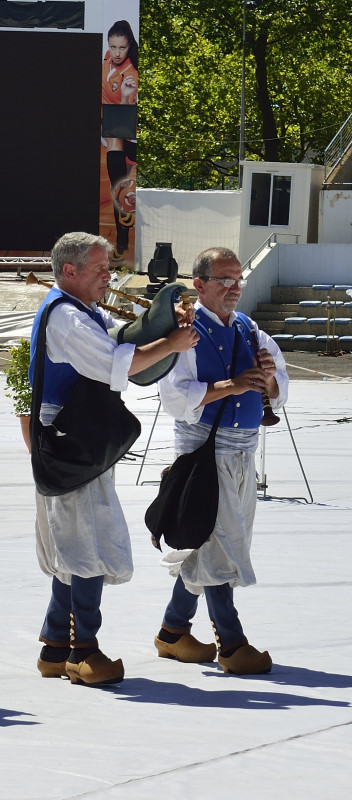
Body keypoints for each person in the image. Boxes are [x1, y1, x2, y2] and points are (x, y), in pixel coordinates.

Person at [30, 232, 196, 685]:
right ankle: (83, 651)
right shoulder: (66, 317)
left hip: (80, 434)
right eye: (100, 268)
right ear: (70, 270)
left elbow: (125, 336)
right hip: (68, 438)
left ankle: (53, 647)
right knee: (85, 542)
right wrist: (172, 345)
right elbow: (113, 363)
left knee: (78, 538)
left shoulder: (82, 311)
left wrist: (169, 321)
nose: (109, 276)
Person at [153, 247, 286, 675]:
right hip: (203, 454)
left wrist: (268, 380)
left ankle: (173, 631)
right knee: (220, 544)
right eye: (224, 279)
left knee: (212, 542)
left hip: (243, 451)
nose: (234, 288)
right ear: (200, 284)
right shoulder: (187, 332)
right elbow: (175, 397)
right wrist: (231, 386)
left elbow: (280, 381)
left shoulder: (249, 328)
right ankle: (231, 643)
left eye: (237, 279)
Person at [101, 19, 138, 261]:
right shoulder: (106, 59)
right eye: (112, 46)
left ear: (129, 46)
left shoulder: (132, 75)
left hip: (124, 123)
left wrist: (125, 96)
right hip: (111, 124)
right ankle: (121, 234)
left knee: (123, 185)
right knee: (117, 181)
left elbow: (127, 115)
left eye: (122, 48)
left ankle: (124, 232)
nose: (116, 53)